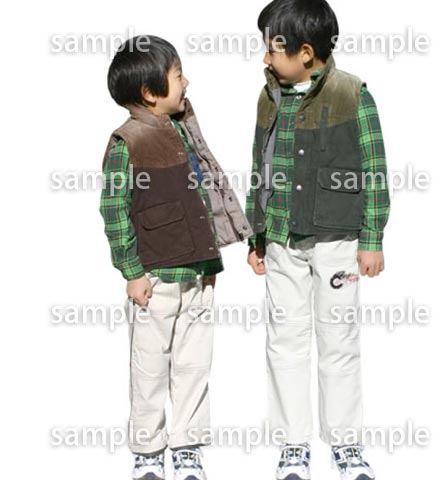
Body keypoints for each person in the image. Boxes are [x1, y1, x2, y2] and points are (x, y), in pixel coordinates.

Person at [245, 1, 390, 479]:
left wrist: (372, 237)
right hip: (281, 240)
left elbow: (374, 168)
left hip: (337, 242)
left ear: (305, 52)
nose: (265, 58)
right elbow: (259, 167)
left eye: (273, 49)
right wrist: (255, 232)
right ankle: (293, 443)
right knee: (284, 340)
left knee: (338, 340)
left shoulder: (353, 94)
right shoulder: (269, 96)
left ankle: (345, 444)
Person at [100, 35, 252, 480]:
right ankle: (148, 451)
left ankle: (187, 446)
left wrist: (218, 250)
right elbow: (114, 211)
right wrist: (131, 272)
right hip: (155, 277)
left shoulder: (184, 128)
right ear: (150, 92)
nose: (187, 82)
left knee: (193, 365)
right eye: (178, 75)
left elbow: (209, 189)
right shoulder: (126, 142)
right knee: (149, 367)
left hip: (198, 272)